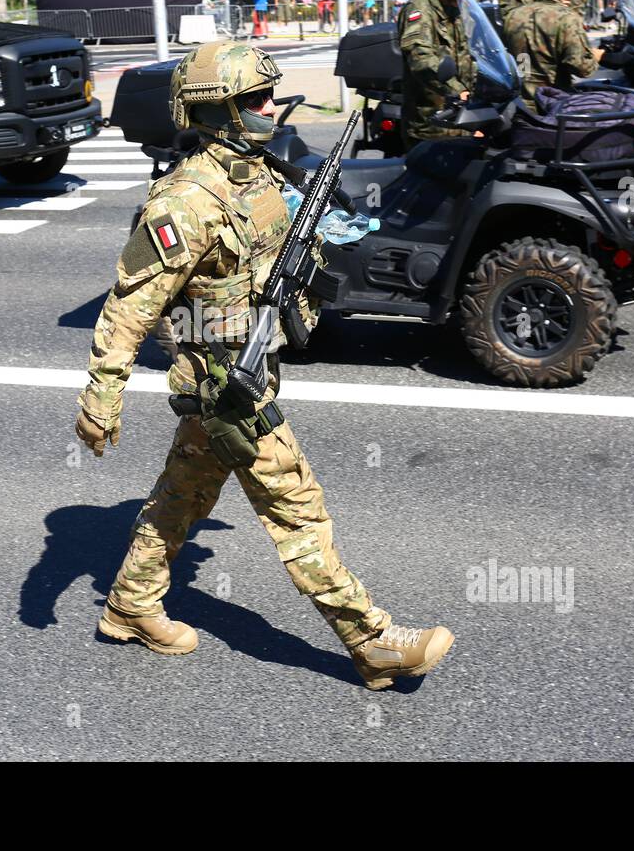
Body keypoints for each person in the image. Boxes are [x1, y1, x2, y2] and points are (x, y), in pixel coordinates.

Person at [75, 39, 455, 690]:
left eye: (268, 94)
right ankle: (372, 642)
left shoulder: (258, 172)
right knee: (296, 505)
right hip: (226, 386)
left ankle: (130, 605)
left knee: (182, 496)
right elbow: (131, 305)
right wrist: (101, 395)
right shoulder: (185, 203)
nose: (270, 106)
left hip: (250, 363)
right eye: (255, 98)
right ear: (218, 110)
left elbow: (284, 245)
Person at [399, 0, 483, 149]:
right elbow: (422, 59)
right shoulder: (419, 10)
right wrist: (458, 91)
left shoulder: (463, 4)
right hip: (432, 127)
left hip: (466, 120)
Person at [503, 0, 603, 108]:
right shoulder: (567, 18)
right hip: (551, 105)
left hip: (517, 104)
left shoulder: (513, 16)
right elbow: (581, 68)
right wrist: (596, 57)